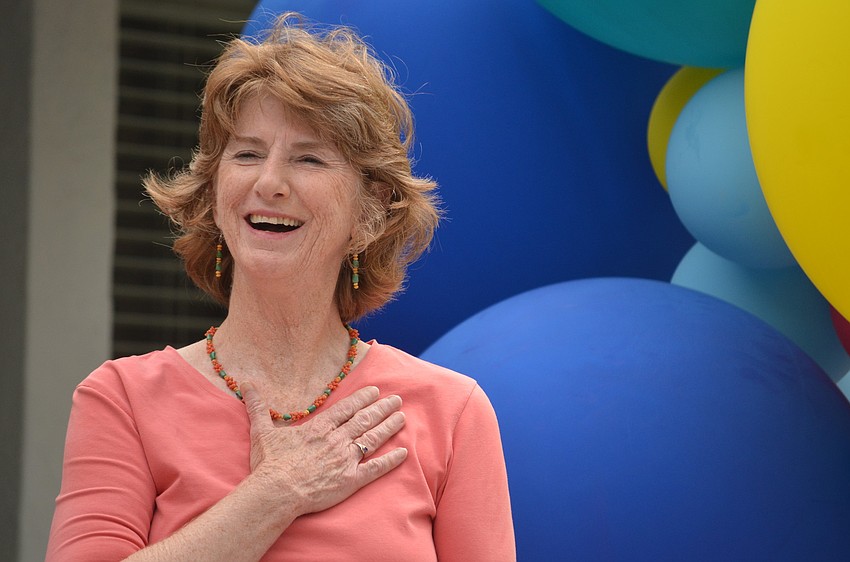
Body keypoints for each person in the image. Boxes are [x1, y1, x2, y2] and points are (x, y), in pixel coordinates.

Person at [45, 12, 515, 562]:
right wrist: (280, 491)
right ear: (213, 193)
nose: (269, 183)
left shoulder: (452, 412)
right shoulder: (122, 398)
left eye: (308, 158)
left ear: (370, 213)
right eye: (246, 154)